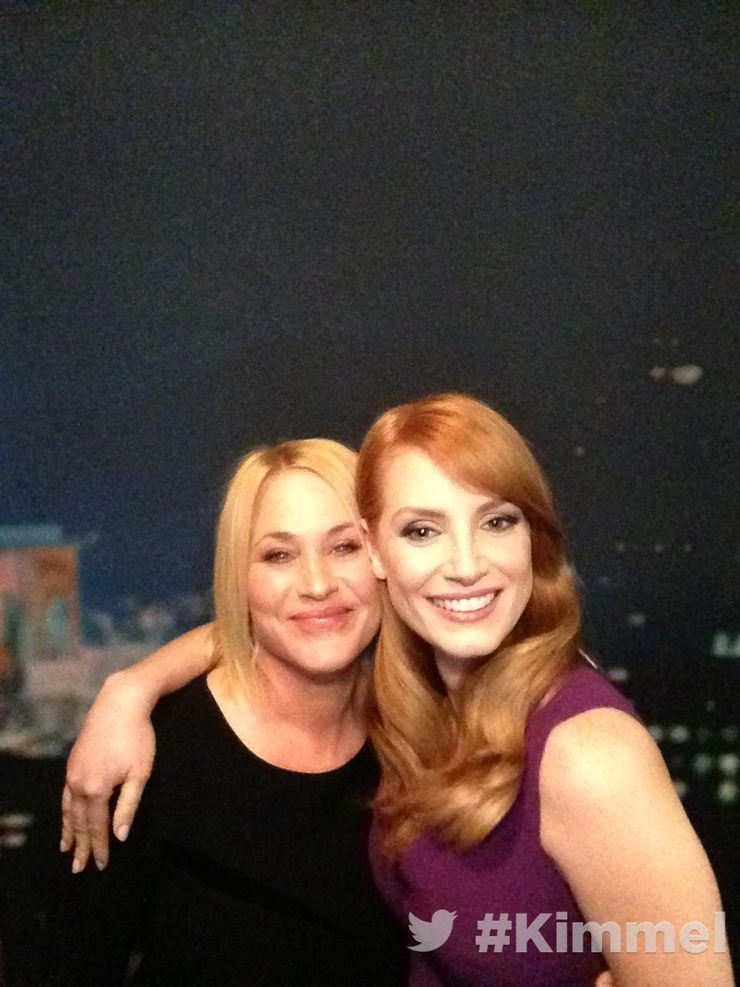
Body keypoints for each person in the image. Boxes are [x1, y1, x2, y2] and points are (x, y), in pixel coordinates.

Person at [61, 395, 733, 987]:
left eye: (498, 521)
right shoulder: (417, 714)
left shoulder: (585, 750)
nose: (464, 564)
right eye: (423, 531)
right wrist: (132, 686)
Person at [49, 438, 407, 986]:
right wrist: (129, 689)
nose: (317, 584)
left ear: (384, 559)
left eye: (344, 547)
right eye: (278, 556)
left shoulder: (419, 736)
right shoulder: (153, 752)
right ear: (239, 579)